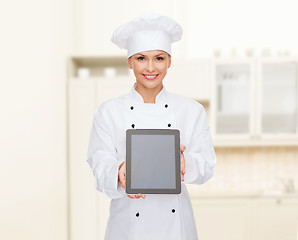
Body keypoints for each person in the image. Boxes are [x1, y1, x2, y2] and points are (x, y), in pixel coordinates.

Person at [86, 13, 216, 240]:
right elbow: (99, 165)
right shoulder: (108, 112)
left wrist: (186, 164)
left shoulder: (190, 110)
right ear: (129, 62)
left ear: (169, 61)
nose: (150, 68)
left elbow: (206, 166)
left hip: (176, 230)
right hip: (128, 229)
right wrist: (119, 173)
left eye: (159, 58)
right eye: (141, 58)